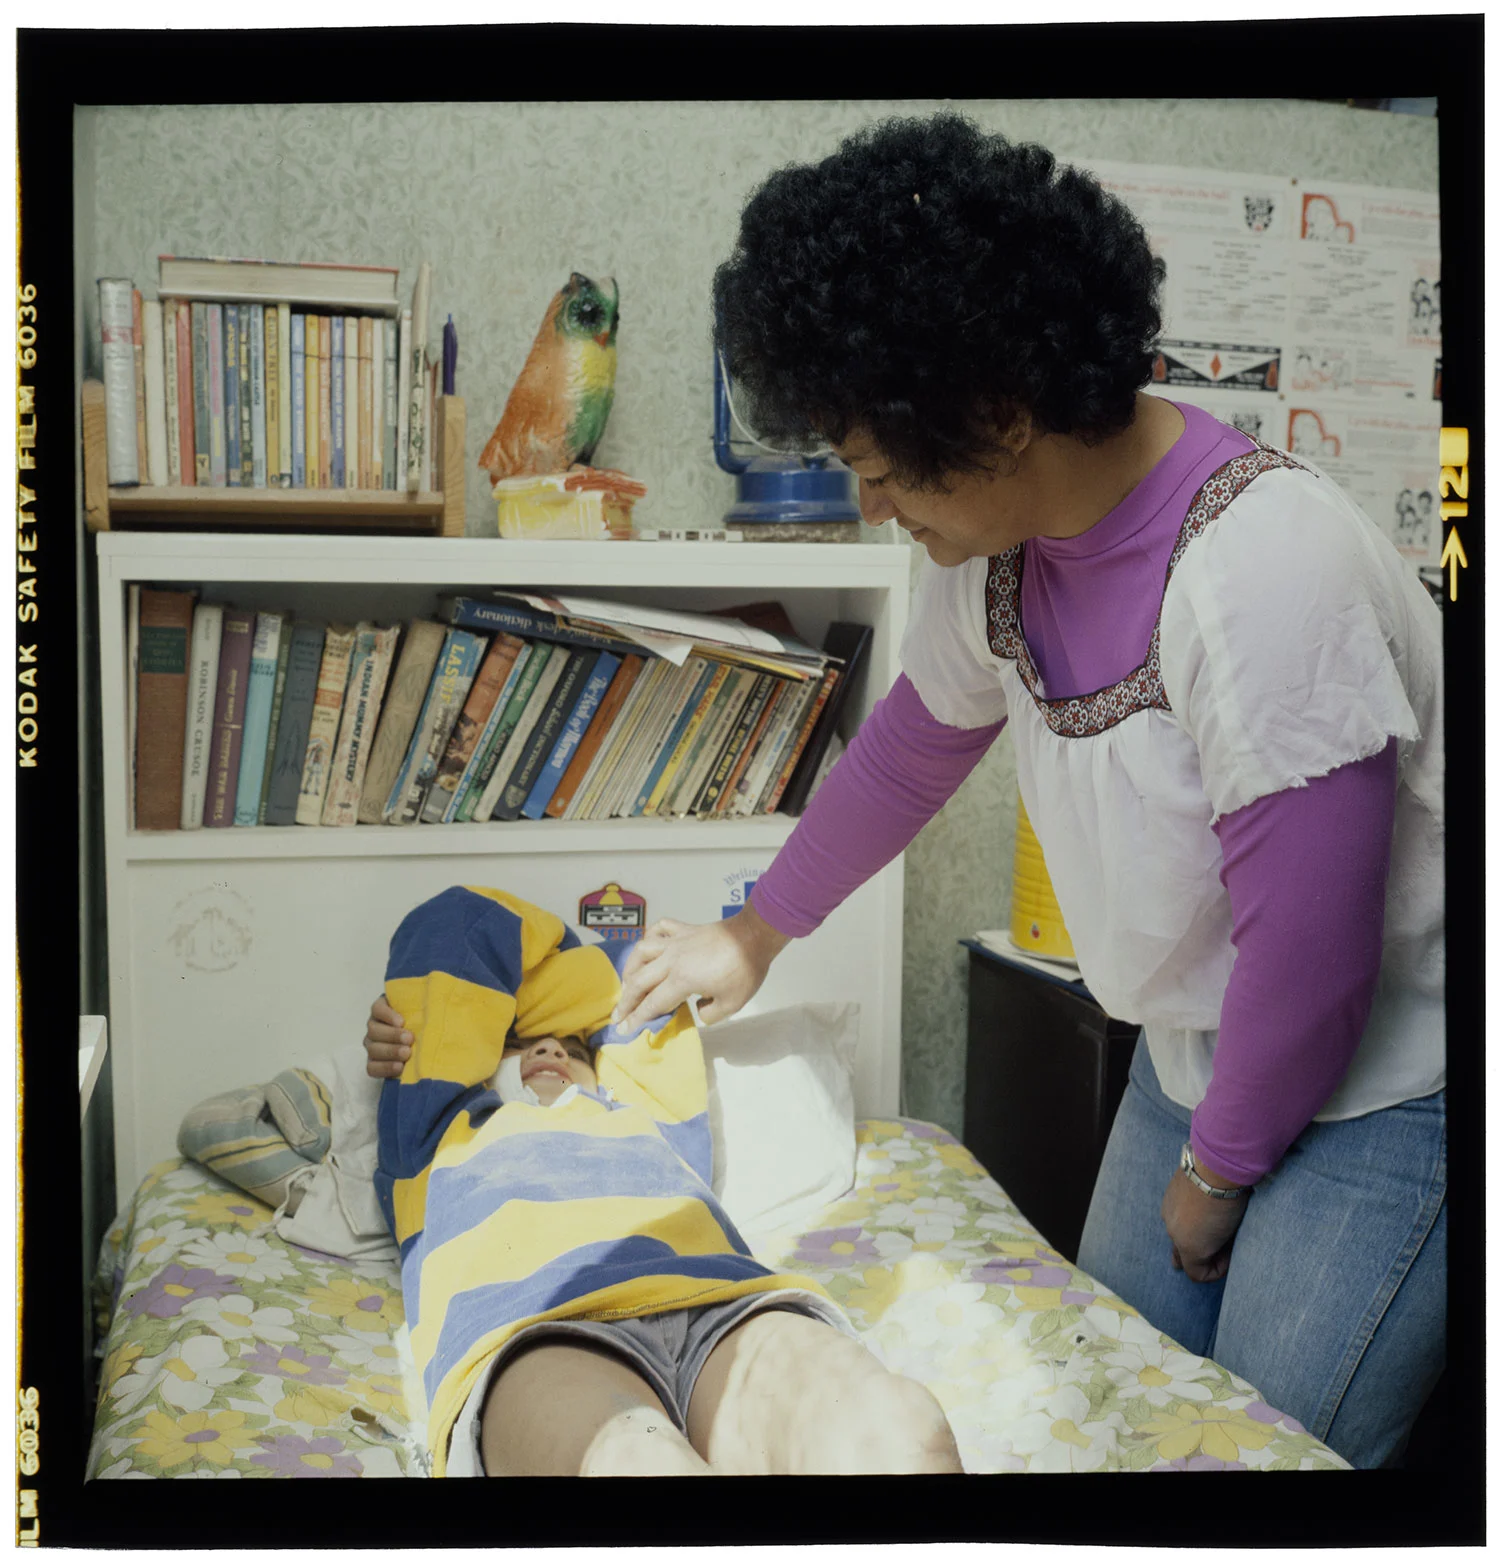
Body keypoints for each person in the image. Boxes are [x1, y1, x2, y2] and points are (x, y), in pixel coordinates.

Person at [381, 111, 1450, 1471]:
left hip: (1379, 1077)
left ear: (999, 415)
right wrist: (753, 931)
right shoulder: (998, 557)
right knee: (1112, 1405)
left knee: (1254, 1453)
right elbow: (905, 752)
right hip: (1194, 1047)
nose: (880, 508)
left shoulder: (1266, 573)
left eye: (885, 473)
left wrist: (1216, 1174)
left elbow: (1315, 956)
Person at [370, 884, 962, 1478]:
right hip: (536, 1326)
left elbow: (636, 976)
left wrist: (525, 1017)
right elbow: (456, 924)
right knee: (637, 1462)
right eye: (515, 1044)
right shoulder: (439, 1133)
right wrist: (430, 1019)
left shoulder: (646, 1112)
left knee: (902, 1431)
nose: (547, 1045)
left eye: (570, 1044)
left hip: (718, 1301)